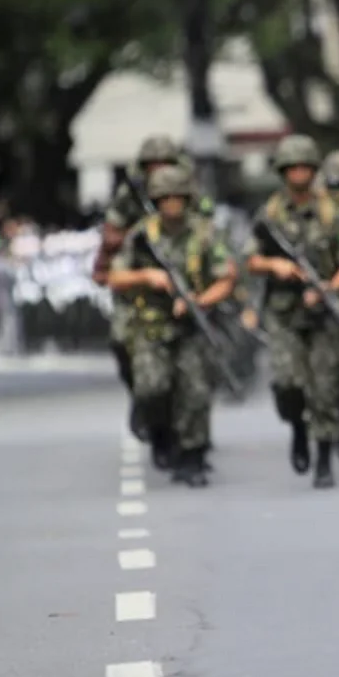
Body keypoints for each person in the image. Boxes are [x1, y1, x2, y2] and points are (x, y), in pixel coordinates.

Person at [107, 164, 236, 487]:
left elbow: (227, 278)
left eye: (178, 197)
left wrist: (199, 301)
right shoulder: (141, 236)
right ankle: (160, 434)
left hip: (193, 325)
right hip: (150, 327)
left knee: (195, 391)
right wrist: (147, 276)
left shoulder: (205, 233)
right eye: (165, 198)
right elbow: (115, 277)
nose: (172, 204)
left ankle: (191, 457)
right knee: (152, 387)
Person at [244, 135, 339, 489]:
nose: (299, 173)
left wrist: (329, 288)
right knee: (287, 383)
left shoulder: (332, 214)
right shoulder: (269, 215)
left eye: (305, 167)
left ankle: (324, 457)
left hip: (323, 314)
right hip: (283, 312)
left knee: (325, 388)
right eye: (293, 167)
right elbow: (250, 259)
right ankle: (297, 428)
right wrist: (275, 266)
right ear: (283, 172)